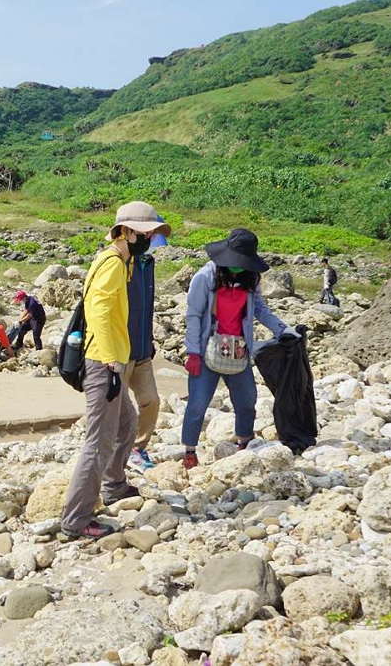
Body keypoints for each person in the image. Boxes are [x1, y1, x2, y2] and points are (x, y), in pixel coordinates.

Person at [61, 206, 159, 540]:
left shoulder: (120, 262)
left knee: (127, 422)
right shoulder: (113, 264)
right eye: (144, 234)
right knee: (97, 443)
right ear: (127, 232)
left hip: (109, 359)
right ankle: (76, 519)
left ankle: (114, 485)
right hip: (105, 363)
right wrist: (111, 364)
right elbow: (99, 311)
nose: (149, 239)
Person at [181, 228, 298, 470]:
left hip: (238, 350)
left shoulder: (250, 278)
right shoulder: (205, 277)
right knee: (197, 404)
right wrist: (192, 352)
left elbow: (260, 310)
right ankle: (190, 453)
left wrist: (284, 330)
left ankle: (244, 446)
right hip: (207, 351)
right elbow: (193, 315)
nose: (237, 267)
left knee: (247, 402)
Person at [116, 205, 171, 473]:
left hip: (142, 349)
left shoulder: (148, 264)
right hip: (120, 348)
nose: (150, 242)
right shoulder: (118, 262)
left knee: (151, 401)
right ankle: (116, 454)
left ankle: (137, 448)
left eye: (152, 237)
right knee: (119, 407)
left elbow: (147, 306)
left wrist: (149, 342)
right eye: (147, 236)